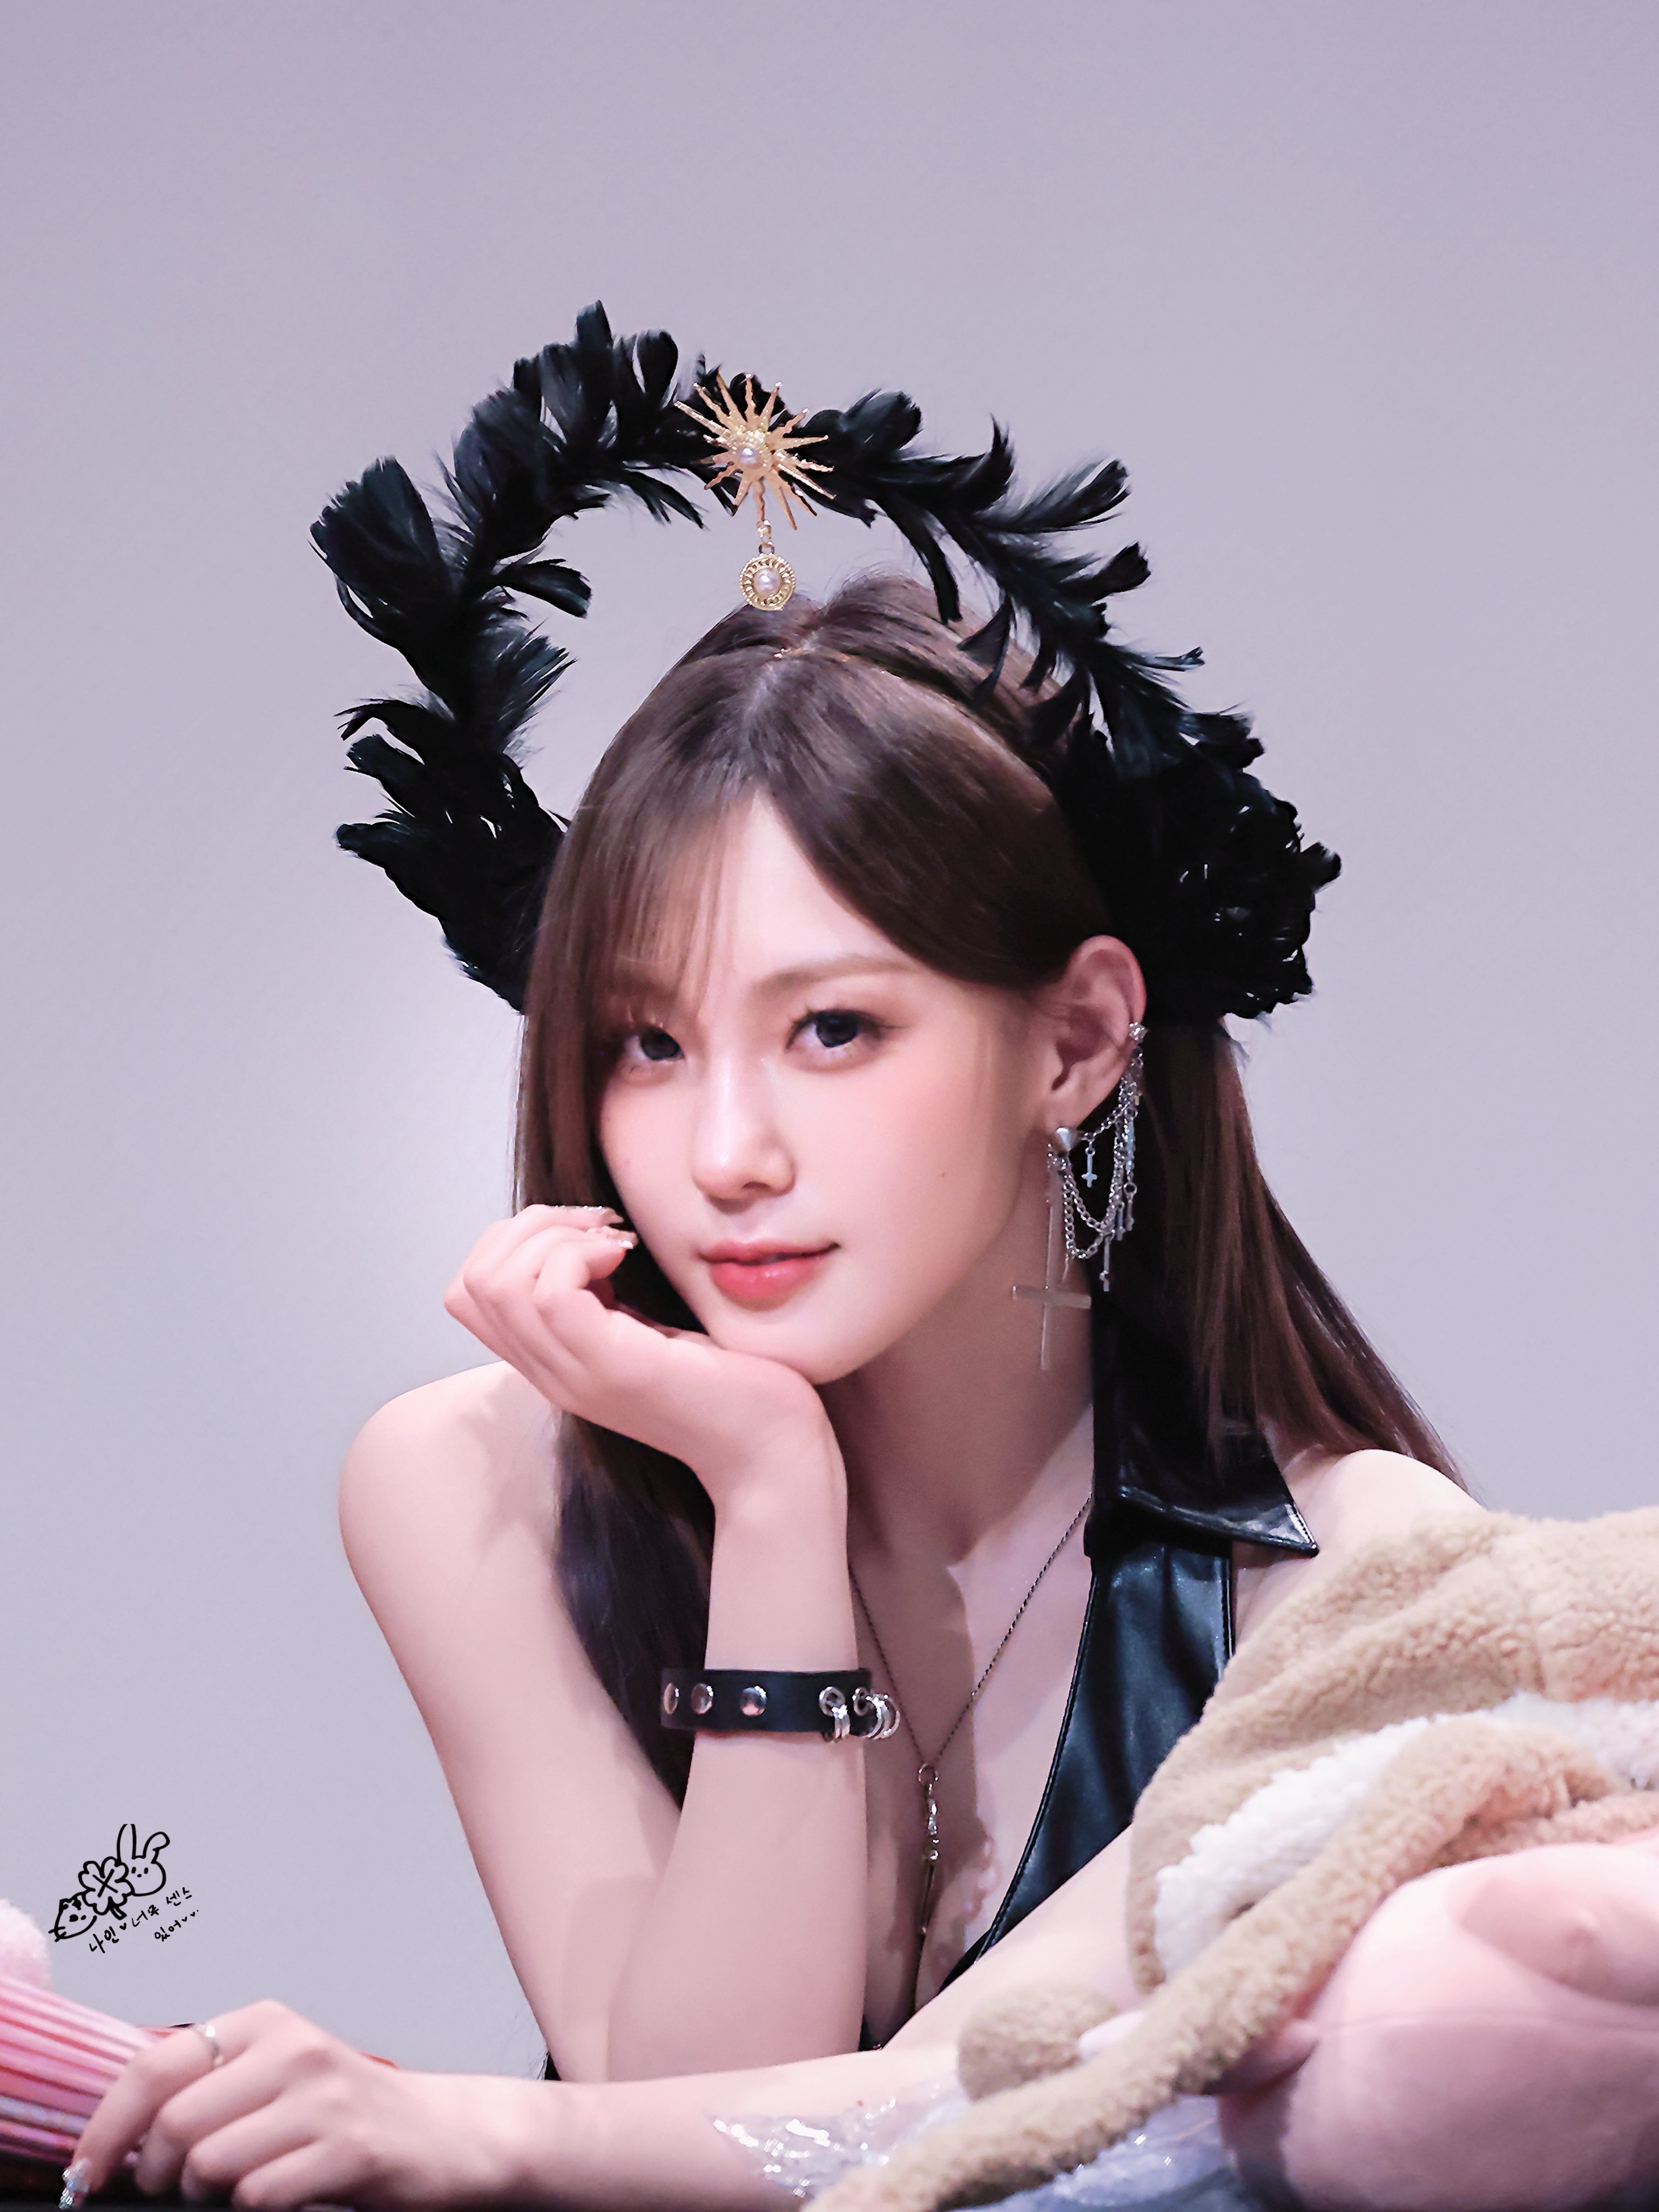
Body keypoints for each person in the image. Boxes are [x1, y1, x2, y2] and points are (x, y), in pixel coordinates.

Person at [68, 320, 1480, 2210]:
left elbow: (958, 2120)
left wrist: (481, 2129)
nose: (722, 1152)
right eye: (648, 1042)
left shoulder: (1349, 1581)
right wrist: (772, 1491)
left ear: (1076, 1043)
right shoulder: (469, 1483)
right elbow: (691, 2100)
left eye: (832, 1030)